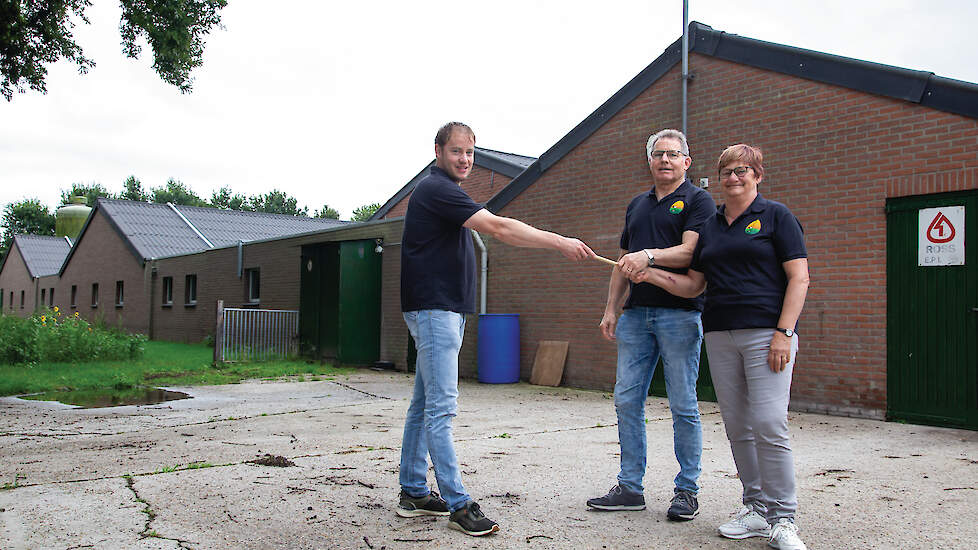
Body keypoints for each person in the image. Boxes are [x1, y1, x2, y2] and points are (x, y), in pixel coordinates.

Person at [397, 121, 595, 537]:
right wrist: (559, 241)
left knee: (423, 404)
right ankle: (458, 503)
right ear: (438, 152)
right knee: (441, 408)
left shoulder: (439, 192)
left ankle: (414, 491)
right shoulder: (439, 190)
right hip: (436, 312)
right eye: (456, 152)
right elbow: (501, 228)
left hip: (437, 311)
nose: (465, 160)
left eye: (470, 152)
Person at [632, 144, 810, 550]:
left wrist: (784, 332)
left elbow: (799, 278)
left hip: (767, 334)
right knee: (738, 427)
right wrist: (651, 272)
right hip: (719, 334)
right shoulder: (710, 226)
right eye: (727, 171)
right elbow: (695, 285)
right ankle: (755, 509)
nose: (734, 177)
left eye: (743, 170)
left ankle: (783, 517)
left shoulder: (777, 217)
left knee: (768, 423)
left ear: (758, 175)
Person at [587, 129, 715, 521]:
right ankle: (630, 487)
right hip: (635, 317)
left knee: (683, 404)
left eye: (673, 155)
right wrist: (612, 308)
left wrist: (649, 256)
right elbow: (624, 262)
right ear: (649, 161)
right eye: (658, 154)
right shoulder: (637, 205)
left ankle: (687, 491)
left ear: (686, 162)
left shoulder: (699, 201)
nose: (665, 160)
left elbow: (691, 251)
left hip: (680, 314)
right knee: (626, 399)